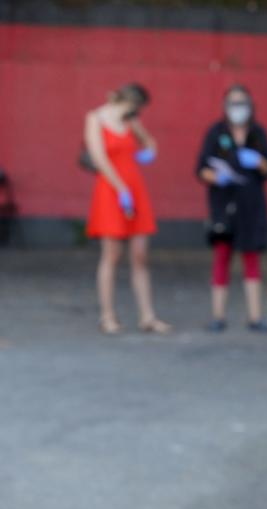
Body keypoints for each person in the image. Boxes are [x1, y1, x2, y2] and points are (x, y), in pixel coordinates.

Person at [84, 82, 171, 335]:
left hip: (135, 190)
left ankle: (147, 316)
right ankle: (107, 316)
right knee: (111, 255)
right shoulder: (95, 118)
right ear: (130, 102)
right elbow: (99, 158)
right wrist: (120, 188)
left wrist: (150, 151)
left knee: (140, 256)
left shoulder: (130, 119)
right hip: (111, 191)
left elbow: (150, 142)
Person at [196, 85, 267, 332]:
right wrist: (217, 176)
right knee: (222, 257)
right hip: (224, 204)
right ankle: (218, 316)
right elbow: (201, 169)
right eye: (233, 103)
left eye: (242, 103)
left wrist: (258, 161)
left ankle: (255, 317)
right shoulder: (216, 132)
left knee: (251, 257)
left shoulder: (257, 133)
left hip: (251, 204)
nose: (238, 108)